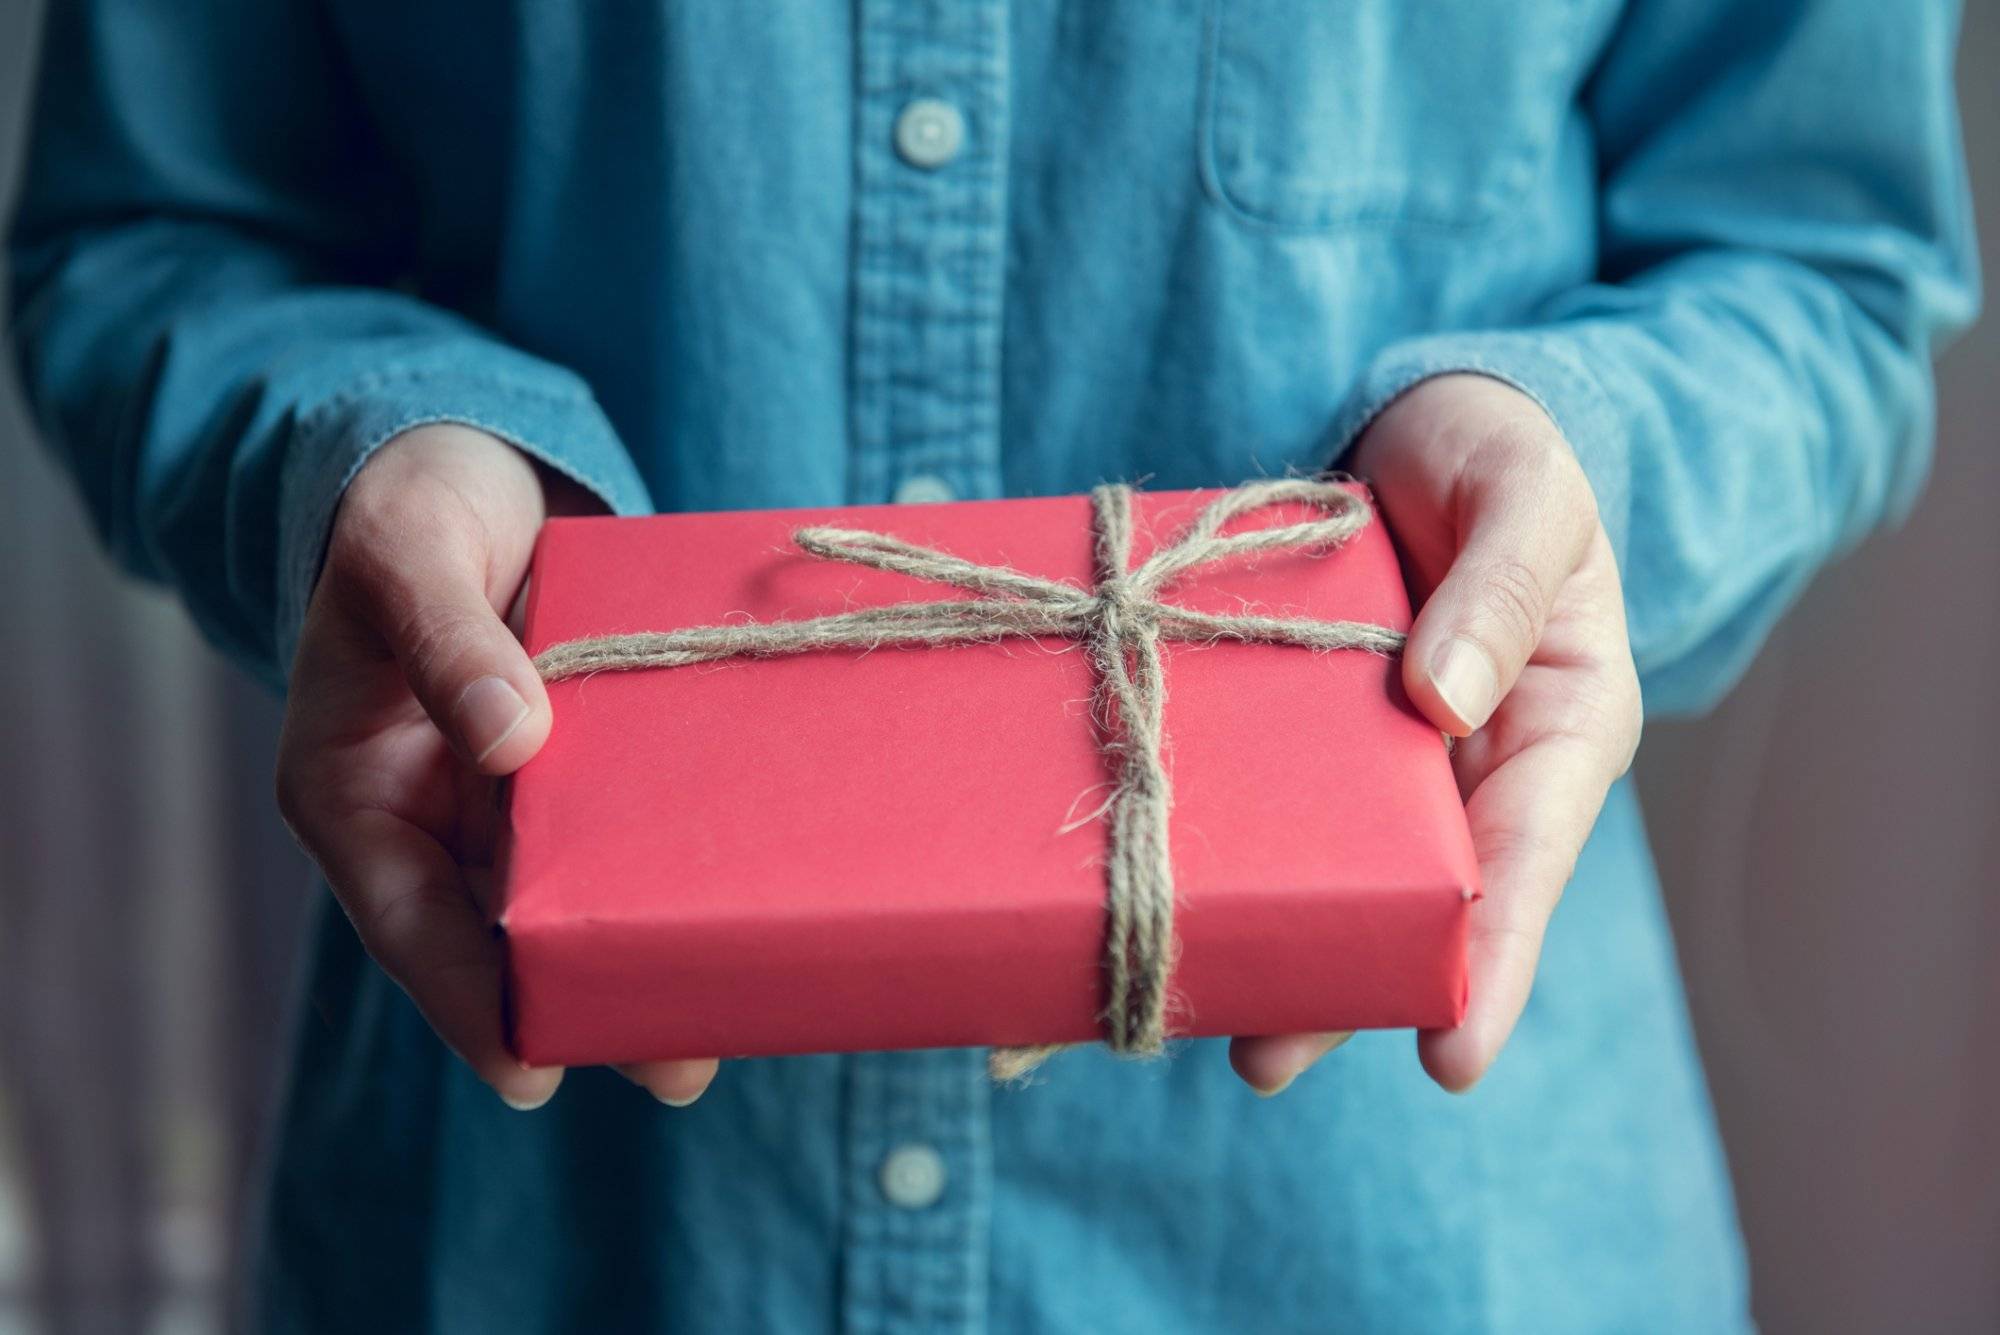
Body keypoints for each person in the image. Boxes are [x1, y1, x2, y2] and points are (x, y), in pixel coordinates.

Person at [7, 2, 1977, 1331]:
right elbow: (151, 228)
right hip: (559, 1233)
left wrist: (1580, 450)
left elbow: (1820, 258)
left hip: (1407, 1230)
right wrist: (360, 449)